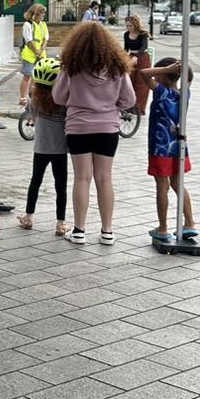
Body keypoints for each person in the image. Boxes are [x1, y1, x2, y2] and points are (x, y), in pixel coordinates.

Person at [53, 21, 135, 245]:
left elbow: (58, 97)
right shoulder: (117, 68)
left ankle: (79, 230)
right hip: (108, 128)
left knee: (82, 178)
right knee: (104, 178)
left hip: (78, 127)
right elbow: (130, 100)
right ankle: (107, 231)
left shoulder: (71, 67)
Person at [140, 57, 198, 243]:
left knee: (161, 187)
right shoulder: (185, 94)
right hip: (178, 147)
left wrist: (166, 69)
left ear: (163, 76)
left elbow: (143, 73)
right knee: (178, 185)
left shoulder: (161, 92)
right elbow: (189, 76)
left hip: (160, 147)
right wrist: (176, 69)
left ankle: (163, 227)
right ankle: (189, 223)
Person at [19, 57, 69, 236]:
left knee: (35, 182)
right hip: (60, 150)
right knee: (60, 186)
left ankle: (29, 217)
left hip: (40, 149)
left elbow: (29, 111)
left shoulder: (36, 102)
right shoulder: (63, 103)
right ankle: (60, 223)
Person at [19, 3, 49, 104]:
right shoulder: (28, 25)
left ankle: (32, 97)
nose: (43, 16)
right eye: (42, 13)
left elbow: (46, 39)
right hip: (30, 54)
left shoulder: (43, 24)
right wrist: (36, 51)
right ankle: (23, 98)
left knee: (36, 77)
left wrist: (41, 50)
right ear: (36, 14)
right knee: (27, 76)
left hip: (40, 55)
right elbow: (28, 40)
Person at [124, 14, 152, 115]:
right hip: (131, 58)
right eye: (127, 26)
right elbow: (126, 49)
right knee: (129, 81)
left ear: (135, 25)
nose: (129, 28)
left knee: (141, 84)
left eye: (130, 26)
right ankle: (129, 106)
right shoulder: (126, 34)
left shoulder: (143, 34)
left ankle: (139, 109)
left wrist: (136, 56)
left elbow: (144, 46)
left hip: (143, 58)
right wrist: (123, 57)